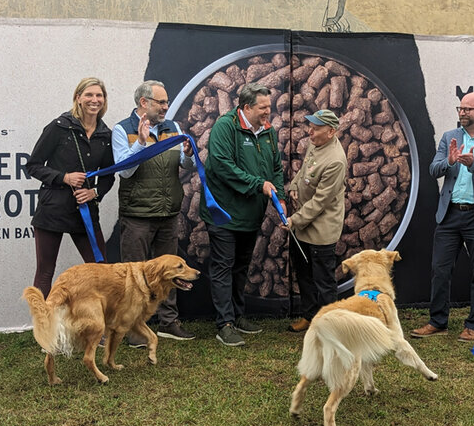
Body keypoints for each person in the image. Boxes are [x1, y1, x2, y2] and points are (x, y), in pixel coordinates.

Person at [411, 91, 474, 343]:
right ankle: (438, 321)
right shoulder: (449, 137)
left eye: (468, 109)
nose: (462, 112)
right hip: (450, 214)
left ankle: (473, 325)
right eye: (460, 108)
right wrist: (450, 161)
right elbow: (434, 169)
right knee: (440, 270)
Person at [201, 82, 286, 347]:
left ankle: (238, 315)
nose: (267, 112)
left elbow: (275, 167)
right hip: (224, 213)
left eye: (269, 107)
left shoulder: (268, 131)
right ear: (246, 107)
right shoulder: (225, 127)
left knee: (241, 266)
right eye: (263, 108)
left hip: (251, 214)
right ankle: (224, 324)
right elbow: (221, 165)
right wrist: (257, 185)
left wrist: (279, 196)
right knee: (223, 267)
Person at [112, 80, 196, 345]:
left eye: (167, 102)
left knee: (170, 274)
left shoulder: (174, 128)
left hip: (168, 213)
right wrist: (141, 143)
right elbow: (124, 171)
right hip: (137, 215)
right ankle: (134, 329)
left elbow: (184, 166)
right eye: (161, 102)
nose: (166, 107)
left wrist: (188, 156)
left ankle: (169, 322)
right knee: (134, 277)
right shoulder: (122, 130)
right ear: (143, 103)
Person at [26, 77, 115, 298]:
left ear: (104, 100)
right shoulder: (59, 127)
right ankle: (42, 328)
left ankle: (100, 328)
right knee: (45, 272)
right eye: (89, 95)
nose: (95, 100)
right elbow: (33, 166)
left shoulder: (106, 134)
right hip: (52, 209)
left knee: (101, 270)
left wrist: (95, 192)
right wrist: (64, 177)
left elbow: (108, 175)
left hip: (84, 212)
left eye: (99, 96)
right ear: (78, 98)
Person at [285, 109, 348, 333]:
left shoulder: (336, 161)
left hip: (320, 229)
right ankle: (309, 316)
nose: (309, 131)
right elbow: (304, 171)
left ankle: (332, 325)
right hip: (303, 226)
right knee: (304, 275)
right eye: (310, 126)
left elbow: (321, 201)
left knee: (324, 281)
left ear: (331, 131)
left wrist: (294, 220)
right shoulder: (315, 144)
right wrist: (293, 186)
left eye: (316, 128)